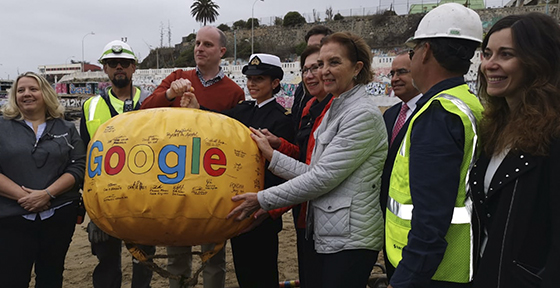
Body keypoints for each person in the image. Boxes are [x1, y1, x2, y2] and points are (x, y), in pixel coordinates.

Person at [227, 32, 387, 288]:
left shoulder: (361, 115)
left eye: (334, 63)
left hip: (349, 239)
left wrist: (261, 200)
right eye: (320, 64)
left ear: (357, 68)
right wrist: (273, 156)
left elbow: (321, 178)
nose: (324, 71)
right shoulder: (335, 108)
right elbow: (314, 171)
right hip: (332, 231)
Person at [384, 3, 484, 287]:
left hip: (433, 273)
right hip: (450, 264)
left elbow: (430, 218)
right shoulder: (467, 102)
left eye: (413, 52)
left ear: (425, 51)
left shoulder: (437, 116)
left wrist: (404, 279)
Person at [141, 25, 244, 288]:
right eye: (197, 43)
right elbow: (144, 111)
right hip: (175, 179)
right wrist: (169, 94)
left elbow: (234, 135)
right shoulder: (177, 77)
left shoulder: (234, 92)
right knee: (177, 256)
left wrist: (202, 113)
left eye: (207, 44)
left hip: (212, 183)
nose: (199, 48)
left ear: (221, 51)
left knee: (214, 258)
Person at [182, 53, 294, 288]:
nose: (252, 84)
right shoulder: (243, 110)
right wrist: (197, 108)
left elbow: (281, 167)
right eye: (250, 78)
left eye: (259, 79)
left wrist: (268, 203)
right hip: (242, 203)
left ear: (275, 84)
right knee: (244, 271)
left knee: (263, 273)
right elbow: (218, 123)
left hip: (263, 206)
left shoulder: (281, 119)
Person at [470, 13, 560, 288]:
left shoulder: (554, 134)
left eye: (505, 54)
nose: (489, 65)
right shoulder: (494, 127)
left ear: (538, 62)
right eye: (487, 54)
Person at [80, 40, 156, 288]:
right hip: (105, 199)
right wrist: (90, 207)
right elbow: (84, 155)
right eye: (113, 63)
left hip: (144, 196)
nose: (119, 67)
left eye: (125, 63)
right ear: (105, 68)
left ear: (134, 67)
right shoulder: (90, 107)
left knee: (143, 261)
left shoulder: (151, 102)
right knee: (106, 262)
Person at [255, 45, 332, 287]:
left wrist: (270, 206)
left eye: (317, 67)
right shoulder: (310, 109)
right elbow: (302, 157)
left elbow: (318, 176)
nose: (309, 75)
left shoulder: (337, 112)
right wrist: (280, 144)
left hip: (326, 218)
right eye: (305, 69)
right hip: (306, 215)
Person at [0, 71, 85, 288]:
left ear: (45, 93)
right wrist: (26, 198)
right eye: (21, 90)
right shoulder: (2, 127)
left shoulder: (65, 128)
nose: (26, 94)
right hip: (11, 218)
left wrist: (47, 194)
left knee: (51, 276)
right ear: (14, 96)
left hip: (58, 215)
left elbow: (78, 166)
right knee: (11, 278)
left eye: (33, 89)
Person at [380, 51, 421, 280]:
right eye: (392, 73)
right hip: (390, 220)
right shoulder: (391, 114)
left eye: (402, 72)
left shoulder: (428, 112)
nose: (394, 78)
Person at [291, 25, 333, 132]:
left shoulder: (340, 100)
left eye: (319, 47)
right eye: (309, 47)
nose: (313, 51)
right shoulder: (301, 89)